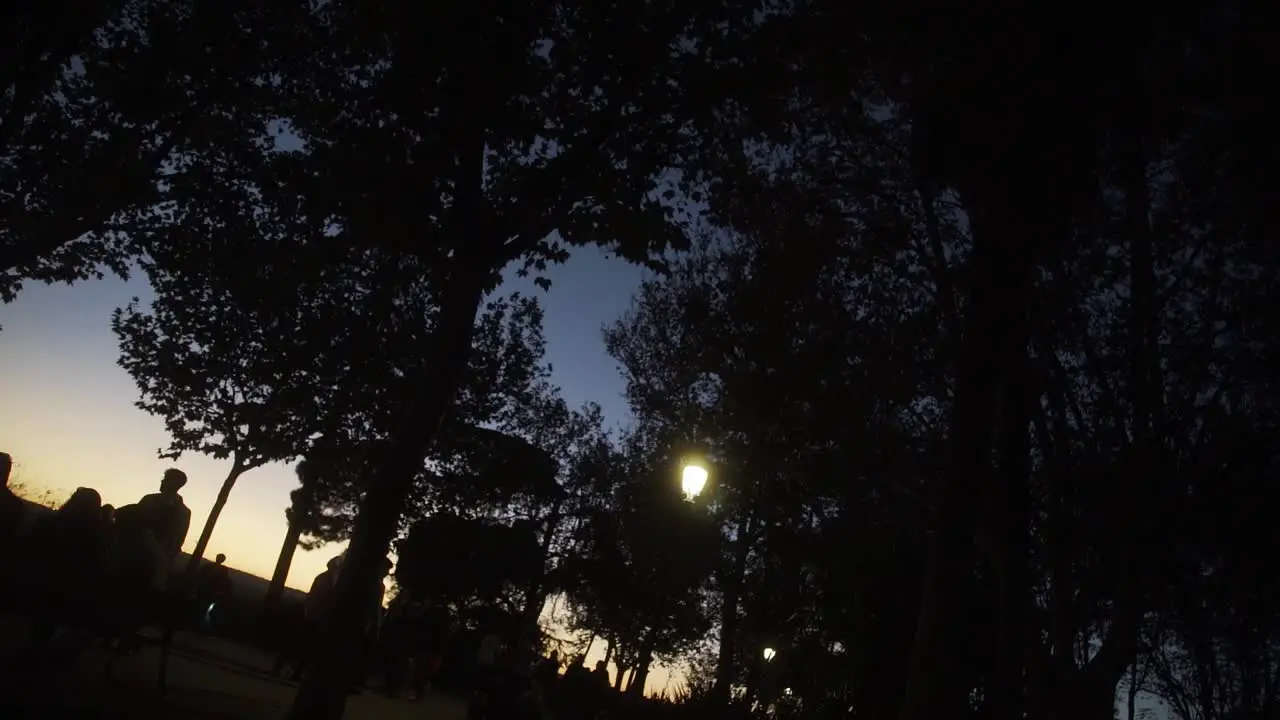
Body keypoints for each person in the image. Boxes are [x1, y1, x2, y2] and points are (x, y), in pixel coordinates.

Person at [195, 553, 233, 628]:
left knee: (203, 609)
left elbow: (224, 582)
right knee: (202, 609)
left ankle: (200, 625)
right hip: (207, 591)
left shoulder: (212, 567)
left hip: (210, 592)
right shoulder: (212, 567)